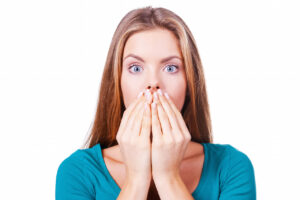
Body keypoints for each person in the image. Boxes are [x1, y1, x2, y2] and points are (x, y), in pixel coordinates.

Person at [55, 6, 256, 200]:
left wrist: (169, 178)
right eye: (135, 68)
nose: (153, 83)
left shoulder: (231, 167)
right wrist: (135, 180)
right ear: (118, 81)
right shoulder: (77, 172)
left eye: (170, 68)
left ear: (189, 84)